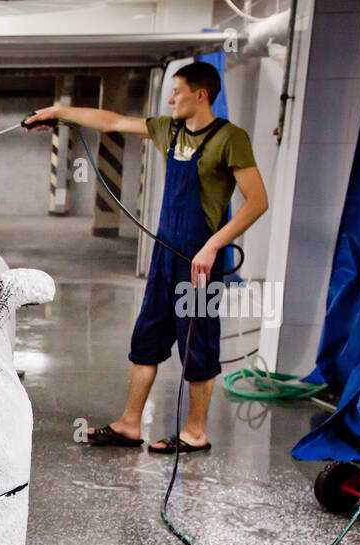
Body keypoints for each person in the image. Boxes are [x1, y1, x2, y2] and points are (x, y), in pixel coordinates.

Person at [27, 61, 269, 454]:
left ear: (200, 94)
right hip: (165, 256)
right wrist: (58, 114)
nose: (171, 98)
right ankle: (128, 424)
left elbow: (257, 202)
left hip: (201, 263)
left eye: (177, 91)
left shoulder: (230, 138)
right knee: (147, 339)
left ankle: (195, 432)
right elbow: (112, 121)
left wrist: (213, 245)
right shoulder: (167, 129)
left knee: (199, 345)